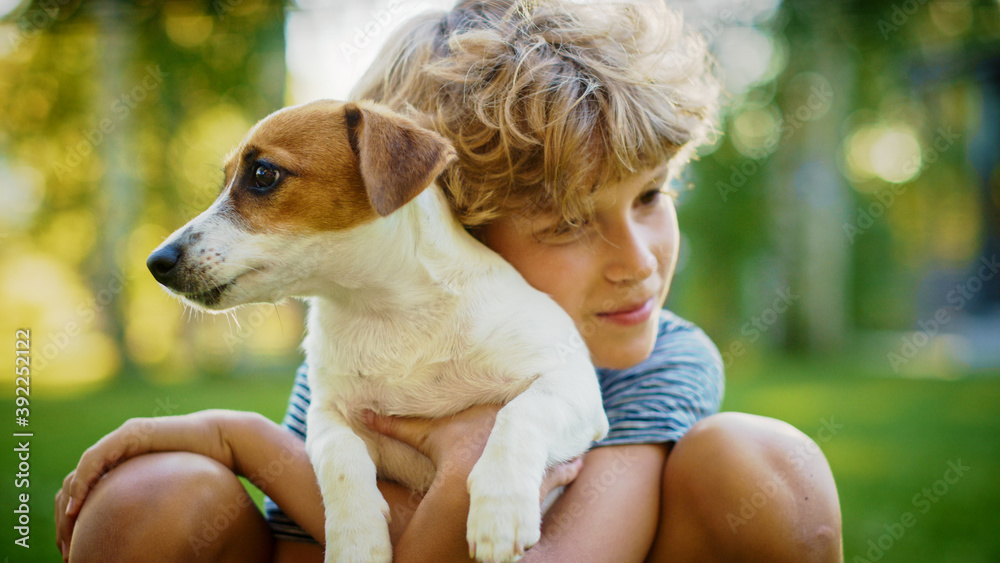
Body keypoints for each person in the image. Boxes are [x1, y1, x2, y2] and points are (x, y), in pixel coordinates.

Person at [55, 1, 843, 561]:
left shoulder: (662, 364)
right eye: (568, 220)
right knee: (154, 498)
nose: (636, 258)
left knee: (765, 465)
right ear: (440, 216)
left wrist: (251, 440)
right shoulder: (356, 336)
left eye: (651, 195)